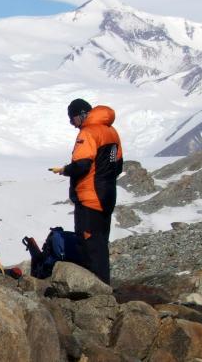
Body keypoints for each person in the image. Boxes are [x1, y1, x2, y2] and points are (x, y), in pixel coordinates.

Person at [51, 99, 123, 284]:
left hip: (90, 196)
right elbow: (118, 164)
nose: (71, 123)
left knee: (89, 244)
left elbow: (82, 164)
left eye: (72, 118)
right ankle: (104, 286)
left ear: (81, 114)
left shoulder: (88, 132)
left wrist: (65, 170)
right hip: (107, 195)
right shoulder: (111, 132)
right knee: (100, 243)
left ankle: (96, 292)